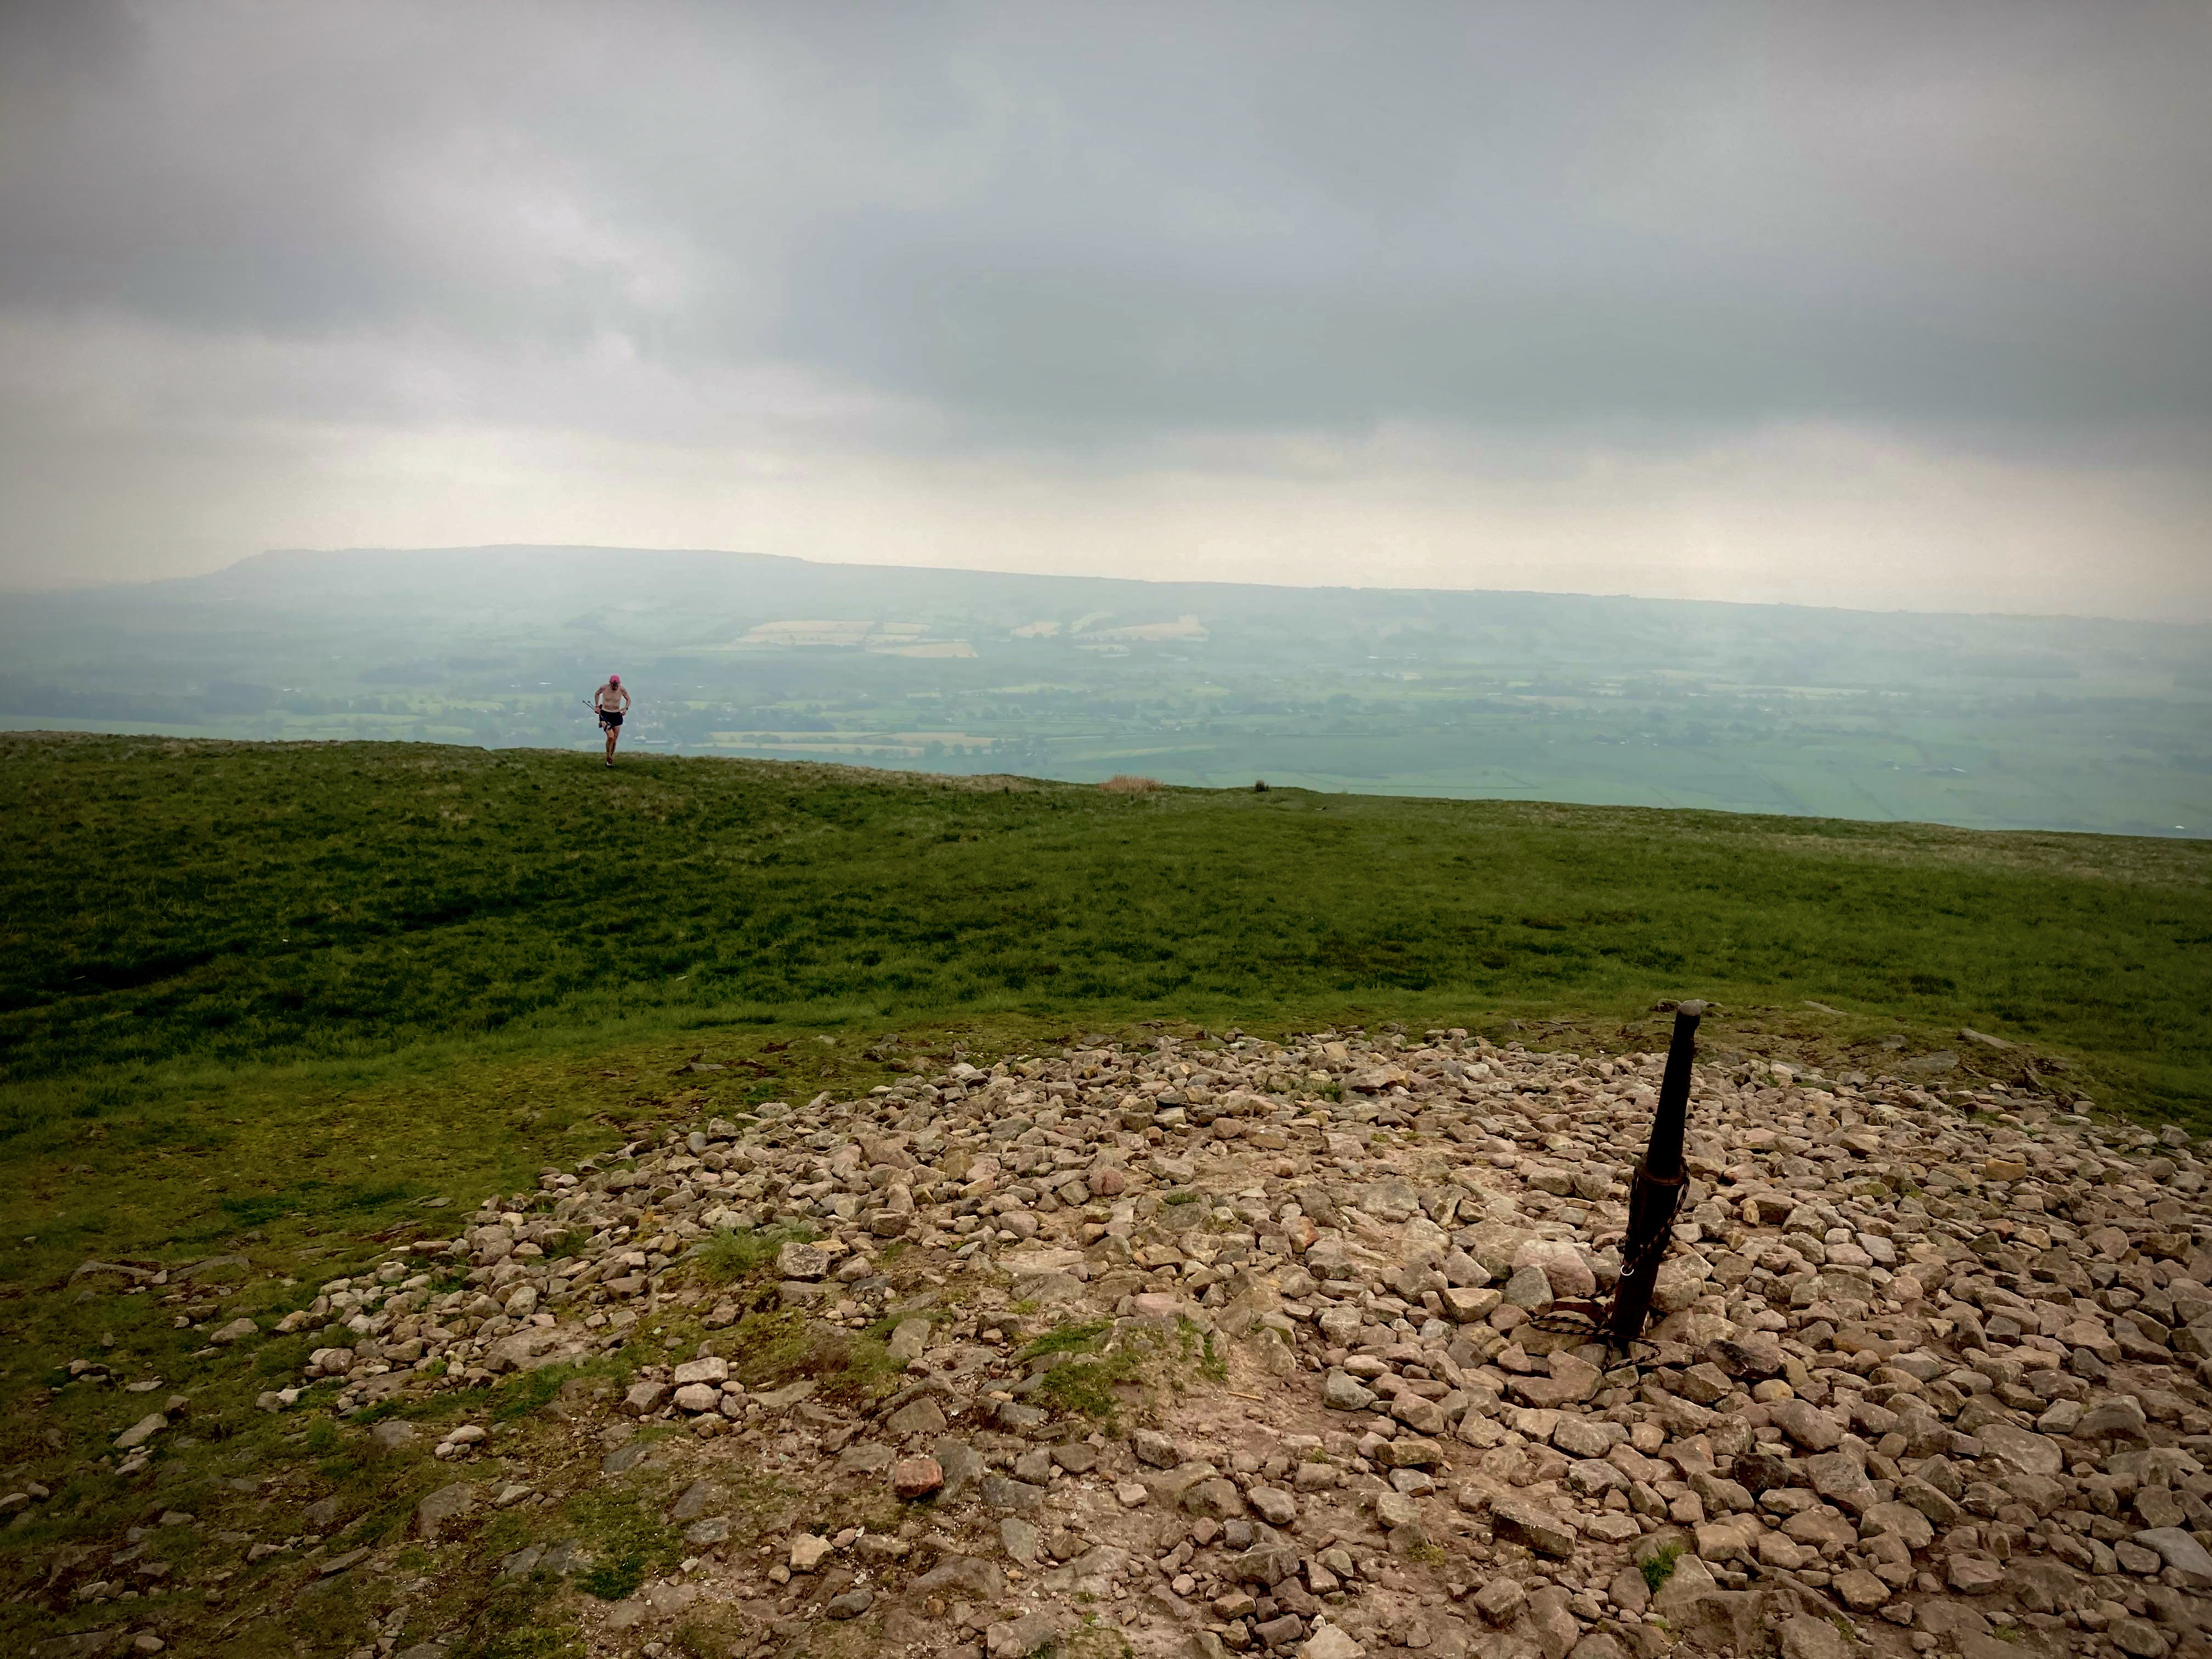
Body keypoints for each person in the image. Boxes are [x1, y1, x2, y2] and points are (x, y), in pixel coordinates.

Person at [594, 673, 631, 766]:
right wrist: (597, 706)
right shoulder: (604, 688)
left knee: (614, 740)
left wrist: (626, 708)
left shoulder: (622, 689)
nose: (615, 687)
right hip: (605, 713)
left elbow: (629, 700)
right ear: (610, 684)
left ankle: (609, 760)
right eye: (614, 686)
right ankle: (608, 757)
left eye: (617, 686)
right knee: (610, 737)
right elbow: (597, 694)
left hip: (617, 715)